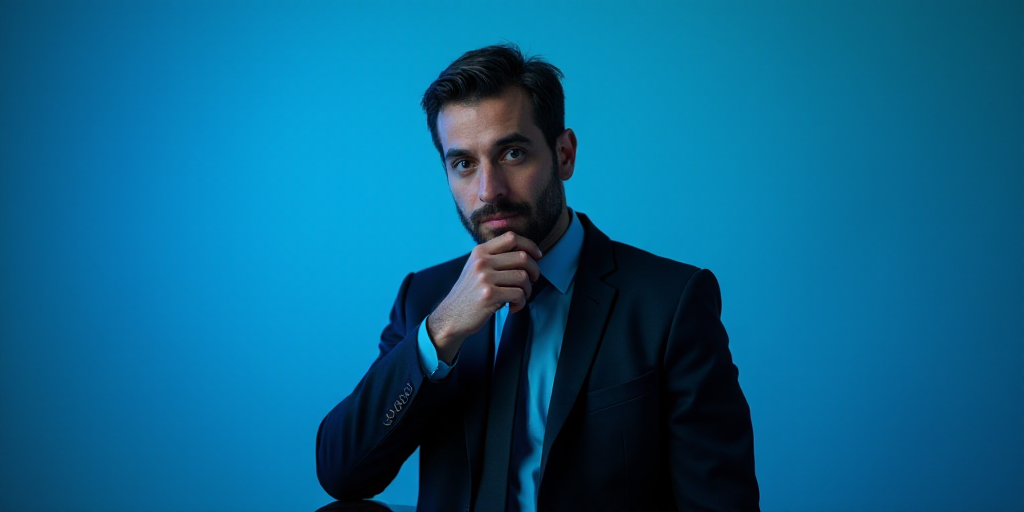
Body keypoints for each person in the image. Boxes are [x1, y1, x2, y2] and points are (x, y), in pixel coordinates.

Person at [316, 43, 759, 512]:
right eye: (463, 164)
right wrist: (441, 329)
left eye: (511, 153)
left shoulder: (669, 303)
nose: (489, 191)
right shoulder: (424, 298)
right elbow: (342, 473)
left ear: (564, 154)